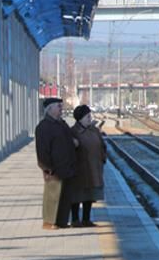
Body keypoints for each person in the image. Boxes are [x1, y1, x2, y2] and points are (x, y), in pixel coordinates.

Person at [35, 97, 78, 229]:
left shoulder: (61, 124)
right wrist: (47, 167)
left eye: (61, 106)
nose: (61, 109)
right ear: (50, 109)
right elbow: (42, 150)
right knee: (52, 196)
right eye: (58, 106)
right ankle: (48, 222)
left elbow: (67, 138)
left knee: (65, 197)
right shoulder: (43, 127)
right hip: (54, 168)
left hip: (67, 166)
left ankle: (61, 221)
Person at [70, 105, 106, 227]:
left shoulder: (94, 130)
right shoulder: (73, 131)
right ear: (80, 118)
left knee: (90, 194)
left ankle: (86, 219)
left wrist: (102, 159)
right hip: (79, 168)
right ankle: (75, 219)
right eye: (87, 116)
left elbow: (102, 145)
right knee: (76, 194)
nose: (90, 118)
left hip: (93, 167)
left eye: (90, 115)